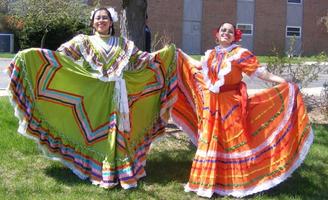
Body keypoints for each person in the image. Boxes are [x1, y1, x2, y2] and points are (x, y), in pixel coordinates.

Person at [7, 7, 177, 189]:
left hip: (118, 96)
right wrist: (32, 55)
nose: (101, 21)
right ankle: (93, 167)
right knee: (93, 131)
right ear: (92, 22)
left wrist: (165, 55)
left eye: (105, 18)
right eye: (98, 18)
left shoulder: (123, 44)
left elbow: (142, 61)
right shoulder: (83, 41)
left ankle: (118, 169)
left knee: (117, 131)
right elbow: (60, 57)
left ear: (111, 22)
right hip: (92, 96)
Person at [172, 23, 313, 198]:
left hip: (231, 104)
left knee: (234, 142)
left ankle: (239, 182)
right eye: (223, 30)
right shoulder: (212, 54)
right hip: (212, 105)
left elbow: (260, 73)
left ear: (235, 36)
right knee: (210, 140)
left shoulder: (239, 54)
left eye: (230, 31)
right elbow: (197, 66)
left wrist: (282, 82)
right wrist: (179, 54)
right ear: (217, 35)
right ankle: (208, 181)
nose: (226, 33)